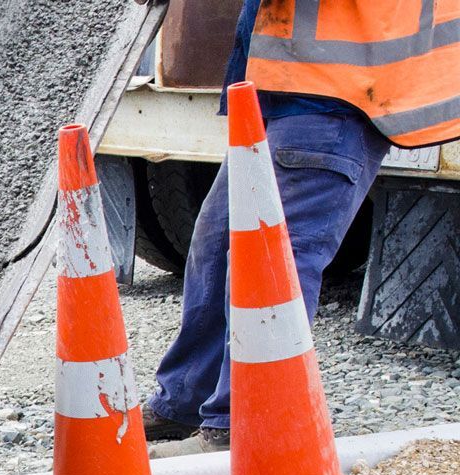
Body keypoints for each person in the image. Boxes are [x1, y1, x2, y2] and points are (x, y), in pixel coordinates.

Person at [145, 0, 460, 452]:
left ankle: (241, 427)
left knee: (271, 262)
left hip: (336, 95)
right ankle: (184, 402)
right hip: (286, 90)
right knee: (216, 248)